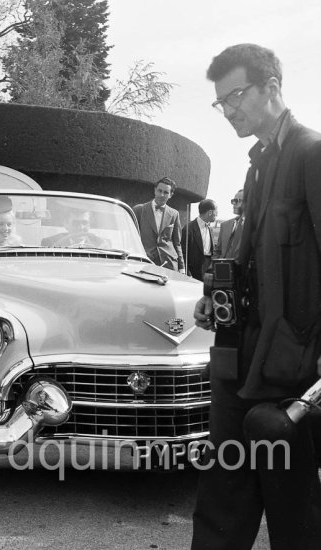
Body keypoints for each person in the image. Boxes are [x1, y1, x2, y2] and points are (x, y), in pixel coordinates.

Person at [192, 43, 321, 550]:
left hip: (291, 370)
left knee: (295, 513)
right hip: (238, 360)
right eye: (221, 102)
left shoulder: (312, 155)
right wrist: (216, 297)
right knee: (222, 492)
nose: (228, 110)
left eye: (236, 96)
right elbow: (255, 262)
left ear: (272, 88)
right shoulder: (256, 167)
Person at [133, 177, 185, 272]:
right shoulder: (139, 210)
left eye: (166, 192)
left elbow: (177, 242)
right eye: (159, 191)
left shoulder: (174, 214)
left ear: (171, 195)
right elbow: (132, 238)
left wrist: (181, 267)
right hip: (145, 261)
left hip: (168, 263)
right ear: (154, 190)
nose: (161, 195)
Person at [181, 199, 217, 281]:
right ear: (210, 212)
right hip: (194, 272)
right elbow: (183, 253)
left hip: (209, 269)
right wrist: (187, 273)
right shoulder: (188, 228)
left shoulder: (210, 229)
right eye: (216, 211)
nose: (217, 213)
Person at [44, 209, 109, 248]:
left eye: (84, 223)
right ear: (66, 223)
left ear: (90, 224)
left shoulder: (101, 244)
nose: (81, 227)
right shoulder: (50, 243)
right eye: (75, 223)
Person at [214, 189, 245, 259]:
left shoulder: (256, 226)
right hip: (221, 268)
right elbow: (218, 251)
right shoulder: (225, 225)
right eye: (233, 201)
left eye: (237, 201)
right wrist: (213, 267)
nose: (234, 204)